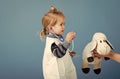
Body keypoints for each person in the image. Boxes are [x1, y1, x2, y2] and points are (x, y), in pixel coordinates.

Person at [40, 6, 77, 79]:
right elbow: (58, 53)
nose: (64, 27)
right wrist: (67, 41)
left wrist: (68, 52)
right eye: (61, 24)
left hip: (64, 69)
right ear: (51, 28)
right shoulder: (51, 42)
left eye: (64, 24)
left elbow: (62, 48)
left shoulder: (58, 37)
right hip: (55, 74)